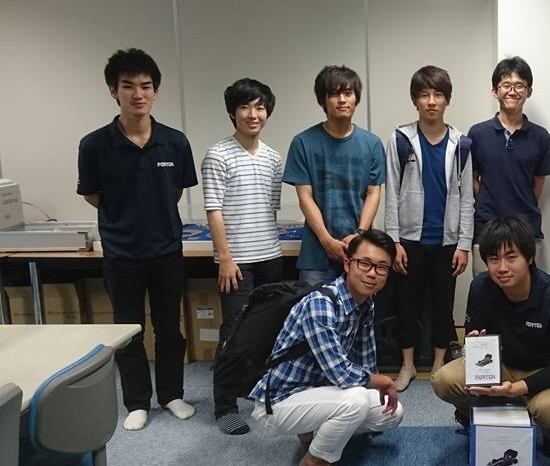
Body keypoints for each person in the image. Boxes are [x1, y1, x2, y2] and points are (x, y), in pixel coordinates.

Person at [77, 48, 197, 431]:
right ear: (114, 91)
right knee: (128, 331)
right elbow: (92, 194)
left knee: (169, 327)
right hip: (121, 254)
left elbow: (175, 190)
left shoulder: (175, 142)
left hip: (166, 250)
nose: (138, 94)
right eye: (128, 86)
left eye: (146, 86)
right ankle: (137, 402)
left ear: (156, 91)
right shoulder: (94, 145)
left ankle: (172, 394)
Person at [249, 230, 403, 466]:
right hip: (280, 400)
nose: (372, 273)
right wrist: (384, 382)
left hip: (318, 390)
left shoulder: (366, 303)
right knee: (356, 400)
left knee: (391, 413)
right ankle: (313, 462)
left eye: (381, 267)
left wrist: (376, 389)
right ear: (348, 263)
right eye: (364, 263)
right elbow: (341, 373)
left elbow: (366, 358)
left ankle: (316, 431)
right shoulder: (321, 303)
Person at [431, 216, 550, 457]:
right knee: (443, 379)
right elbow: (472, 338)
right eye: (493, 259)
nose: (502, 268)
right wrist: (474, 343)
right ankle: (471, 414)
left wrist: (517, 388)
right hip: (500, 365)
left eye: (511, 257)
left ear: (529, 258)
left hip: (545, 372)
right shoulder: (480, 287)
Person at [201, 78, 283, 435]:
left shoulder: (273, 158)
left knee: (267, 329)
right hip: (236, 261)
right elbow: (214, 210)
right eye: (245, 107)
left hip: (270, 256)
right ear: (233, 112)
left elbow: (270, 209)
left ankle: (258, 391)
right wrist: (225, 258)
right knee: (234, 334)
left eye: (260, 107)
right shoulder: (217, 155)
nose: (253, 114)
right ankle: (225, 405)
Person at [384, 65, 474, 391]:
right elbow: (391, 193)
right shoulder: (400, 140)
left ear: (448, 99)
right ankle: (407, 366)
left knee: (443, 306)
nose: (431, 101)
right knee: (406, 305)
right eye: (424, 95)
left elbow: (467, 197)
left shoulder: (461, 143)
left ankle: (438, 363)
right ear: (415, 100)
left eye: (438, 95)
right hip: (409, 239)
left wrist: (464, 243)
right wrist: (393, 241)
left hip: (446, 241)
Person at [282, 65, 385, 286]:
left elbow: (373, 193)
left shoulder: (372, 144)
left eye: (348, 93)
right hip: (317, 255)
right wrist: (326, 240)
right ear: (323, 100)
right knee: (315, 308)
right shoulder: (303, 142)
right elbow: (305, 197)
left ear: (356, 98)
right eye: (334, 94)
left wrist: (359, 234)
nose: (342, 100)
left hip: (361, 253)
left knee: (359, 308)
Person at [467, 56, 550, 276]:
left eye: (519, 85)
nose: (512, 91)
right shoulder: (477, 133)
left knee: (524, 290)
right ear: (495, 91)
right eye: (506, 85)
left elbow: (538, 183)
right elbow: (471, 177)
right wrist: (487, 197)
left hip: (526, 229)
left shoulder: (541, 136)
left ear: (528, 91)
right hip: (486, 227)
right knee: (484, 288)